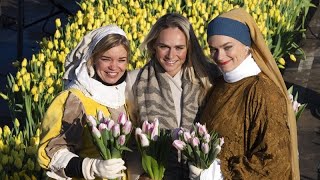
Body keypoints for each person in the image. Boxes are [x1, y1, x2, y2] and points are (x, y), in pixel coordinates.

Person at [190, 8, 300, 179]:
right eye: (213, 49)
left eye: (228, 47)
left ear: (247, 46)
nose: (219, 56)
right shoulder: (220, 84)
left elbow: (276, 162)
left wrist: (219, 174)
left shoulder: (263, 92)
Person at [125, 13, 220, 180]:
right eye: (164, 46)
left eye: (179, 48)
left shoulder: (208, 79)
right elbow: (131, 140)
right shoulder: (135, 81)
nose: (170, 55)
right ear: (154, 45)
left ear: (189, 48)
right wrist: (139, 175)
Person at [38, 25, 130, 179]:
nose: (114, 67)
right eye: (106, 59)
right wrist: (91, 167)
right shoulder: (74, 99)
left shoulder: (128, 93)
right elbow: (50, 152)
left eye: (121, 60)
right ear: (92, 58)